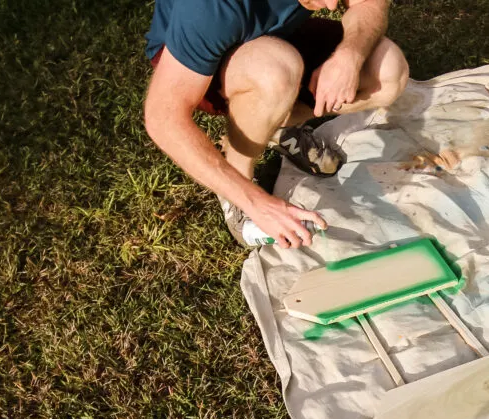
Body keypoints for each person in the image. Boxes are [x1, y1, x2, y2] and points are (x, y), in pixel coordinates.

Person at [143, 0, 409, 247]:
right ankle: (237, 195)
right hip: (192, 64)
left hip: (275, 35)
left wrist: (349, 57)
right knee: (274, 72)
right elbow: (163, 117)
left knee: (387, 70)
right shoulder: (210, 7)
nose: (331, 6)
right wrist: (256, 202)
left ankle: (273, 125)